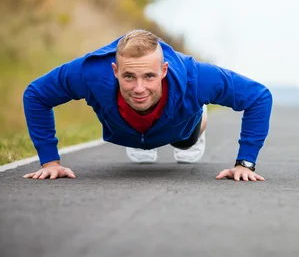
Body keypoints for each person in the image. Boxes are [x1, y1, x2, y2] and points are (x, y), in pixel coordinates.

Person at [22, 29, 272, 182]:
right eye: (129, 76)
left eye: (149, 77)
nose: (139, 88)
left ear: (164, 70)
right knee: (135, 138)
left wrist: (245, 164)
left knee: (186, 141)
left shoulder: (196, 77)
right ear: (115, 71)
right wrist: (50, 162)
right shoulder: (89, 72)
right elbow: (36, 95)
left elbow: (259, 97)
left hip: (180, 126)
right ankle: (141, 139)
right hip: (126, 131)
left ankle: (199, 113)